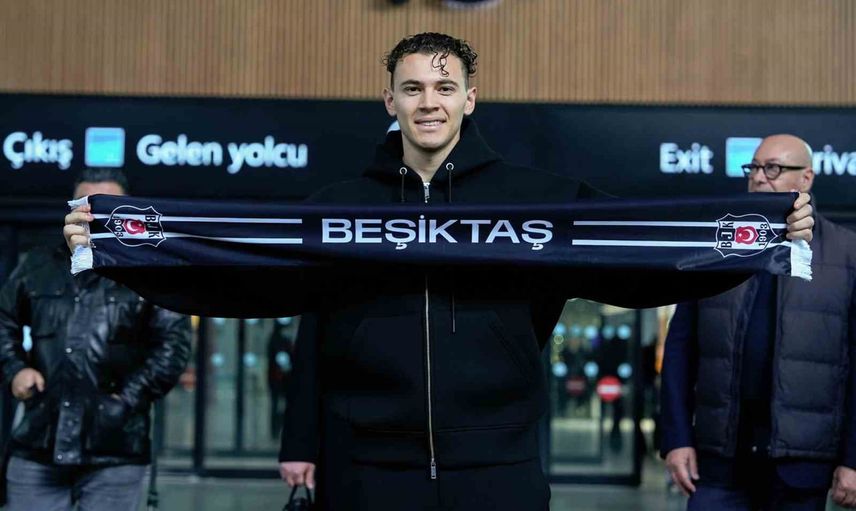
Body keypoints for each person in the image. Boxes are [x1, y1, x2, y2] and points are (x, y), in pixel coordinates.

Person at [64, 34, 814, 511]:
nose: (430, 102)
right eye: (415, 87)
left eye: (445, 87)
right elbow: (235, 277)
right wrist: (116, 248)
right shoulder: (338, 208)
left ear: (469, 99)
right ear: (389, 99)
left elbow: (641, 256)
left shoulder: (535, 202)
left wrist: (759, 238)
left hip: (499, 466)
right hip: (365, 469)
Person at [661, 134, 856, 510]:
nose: (759, 177)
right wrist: (676, 437)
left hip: (801, 465)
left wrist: (853, 458)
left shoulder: (847, 254)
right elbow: (680, 350)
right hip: (719, 462)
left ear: (806, 178)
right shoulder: (716, 247)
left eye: (774, 168)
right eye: (754, 168)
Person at [0, 168, 192, 511]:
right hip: (38, 440)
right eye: (86, 205)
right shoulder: (39, 264)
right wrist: (15, 369)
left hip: (116, 448)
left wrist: (126, 400)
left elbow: (173, 345)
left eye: (107, 206)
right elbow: (3, 320)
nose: (94, 215)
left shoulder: (151, 268)